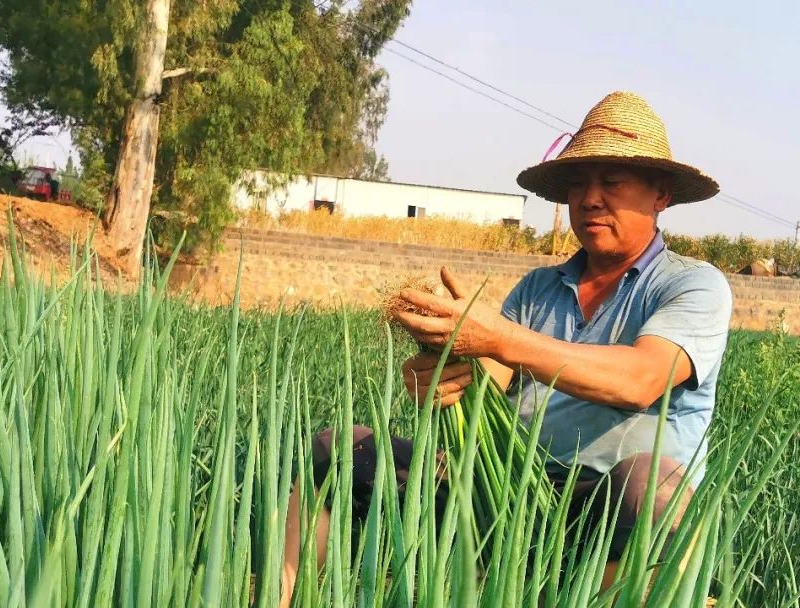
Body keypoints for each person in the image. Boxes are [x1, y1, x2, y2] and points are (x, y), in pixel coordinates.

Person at [279, 91, 733, 604]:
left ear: (661, 195)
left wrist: (496, 336)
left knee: (652, 483)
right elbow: (490, 381)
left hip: (608, 508)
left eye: (611, 182)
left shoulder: (692, 284)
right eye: (578, 185)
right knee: (338, 451)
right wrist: (443, 373)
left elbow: (639, 381)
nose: (589, 199)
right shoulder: (538, 289)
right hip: (511, 495)